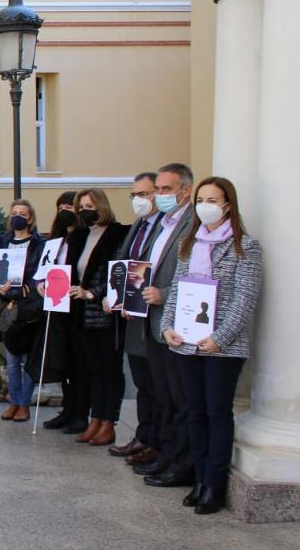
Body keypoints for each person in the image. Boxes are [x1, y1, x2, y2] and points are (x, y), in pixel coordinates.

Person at [161, 176, 261, 514]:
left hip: (222, 347)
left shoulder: (244, 247)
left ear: (228, 205)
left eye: (213, 200)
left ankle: (214, 485)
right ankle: (200, 478)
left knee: (218, 412)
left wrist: (219, 338)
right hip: (185, 343)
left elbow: (245, 300)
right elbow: (176, 290)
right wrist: (167, 327)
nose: (205, 205)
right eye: (201, 199)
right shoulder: (189, 243)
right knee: (195, 412)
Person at [134, 163, 200, 487]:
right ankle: (166, 455)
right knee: (164, 397)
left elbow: (198, 278)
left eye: (165, 189)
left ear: (185, 190)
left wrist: (166, 294)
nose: (160, 196)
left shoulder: (193, 224)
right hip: (154, 323)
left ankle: (182, 463)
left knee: (179, 399)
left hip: (175, 323)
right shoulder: (162, 223)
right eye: (157, 189)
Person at [65, 188, 129, 445]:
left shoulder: (117, 235)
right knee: (93, 370)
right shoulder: (80, 236)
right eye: (81, 207)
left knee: (109, 370)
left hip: (105, 313)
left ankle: (108, 422)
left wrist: (92, 293)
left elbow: (117, 272)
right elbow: (72, 271)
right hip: (81, 314)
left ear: (101, 205)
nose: (85, 210)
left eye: (90, 205)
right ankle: (95, 419)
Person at [107, 173, 162, 460]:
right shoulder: (139, 225)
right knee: (142, 383)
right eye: (135, 195)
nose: (139, 200)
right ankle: (143, 436)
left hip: (154, 316)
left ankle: (156, 441)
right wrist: (115, 294)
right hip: (132, 314)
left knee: (156, 384)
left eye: (146, 193)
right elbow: (128, 263)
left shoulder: (166, 226)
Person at [0, 200, 46, 423]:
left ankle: (24, 404)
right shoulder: (3, 241)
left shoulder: (39, 243)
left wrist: (27, 289)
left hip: (29, 305)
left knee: (28, 357)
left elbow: (42, 272)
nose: (18, 217)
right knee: (11, 358)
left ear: (30, 218)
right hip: (7, 305)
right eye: (14, 213)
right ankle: (14, 401)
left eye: (22, 213)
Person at [39, 192, 82, 431]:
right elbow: (44, 270)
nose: (65, 210)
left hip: (76, 307)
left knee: (77, 363)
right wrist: (40, 284)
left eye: (70, 207)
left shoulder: (81, 238)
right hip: (56, 306)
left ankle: (79, 412)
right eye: (61, 207)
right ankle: (67, 408)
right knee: (62, 361)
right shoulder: (55, 241)